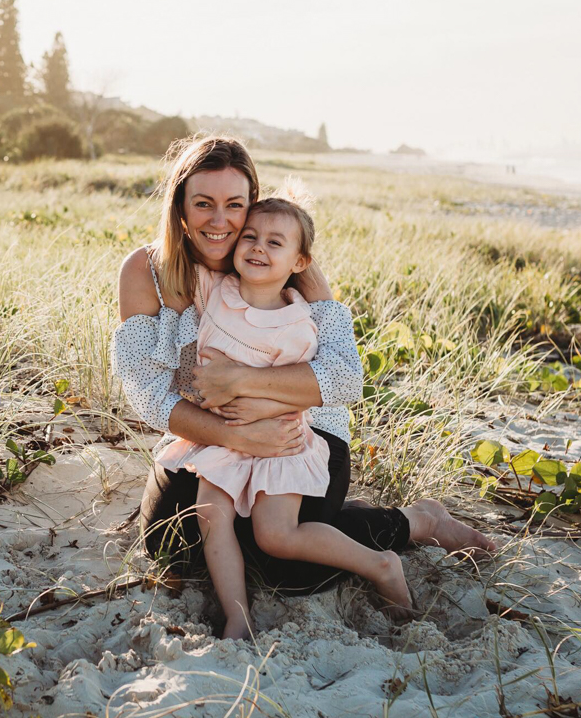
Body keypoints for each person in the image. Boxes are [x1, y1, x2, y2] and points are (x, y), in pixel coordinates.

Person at [112, 135, 494, 601]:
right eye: (203, 203)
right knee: (171, 542)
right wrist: (230, 433)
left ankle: (417, 522)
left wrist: (243, 381)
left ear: (252, 203)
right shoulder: (147, 271)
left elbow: (345, 376)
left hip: (303, 432)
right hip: (210, 435)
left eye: (235, 205)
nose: (220, 221)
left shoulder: (281, 262)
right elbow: (147, 390)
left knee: (281, 563)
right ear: (180, 206)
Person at [158, 192, 424, 637]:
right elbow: (178, 265)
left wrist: (255, 409)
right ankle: (237, 618)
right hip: (224, 438)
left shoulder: (297, 324)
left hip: (279, 440)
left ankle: (381, 564)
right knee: (210, 512)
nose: (259, 247)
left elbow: (307, 392)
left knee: (276, 536)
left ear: (300, 263)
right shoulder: (214, 290)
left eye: (275, 243)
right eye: (251, 237)